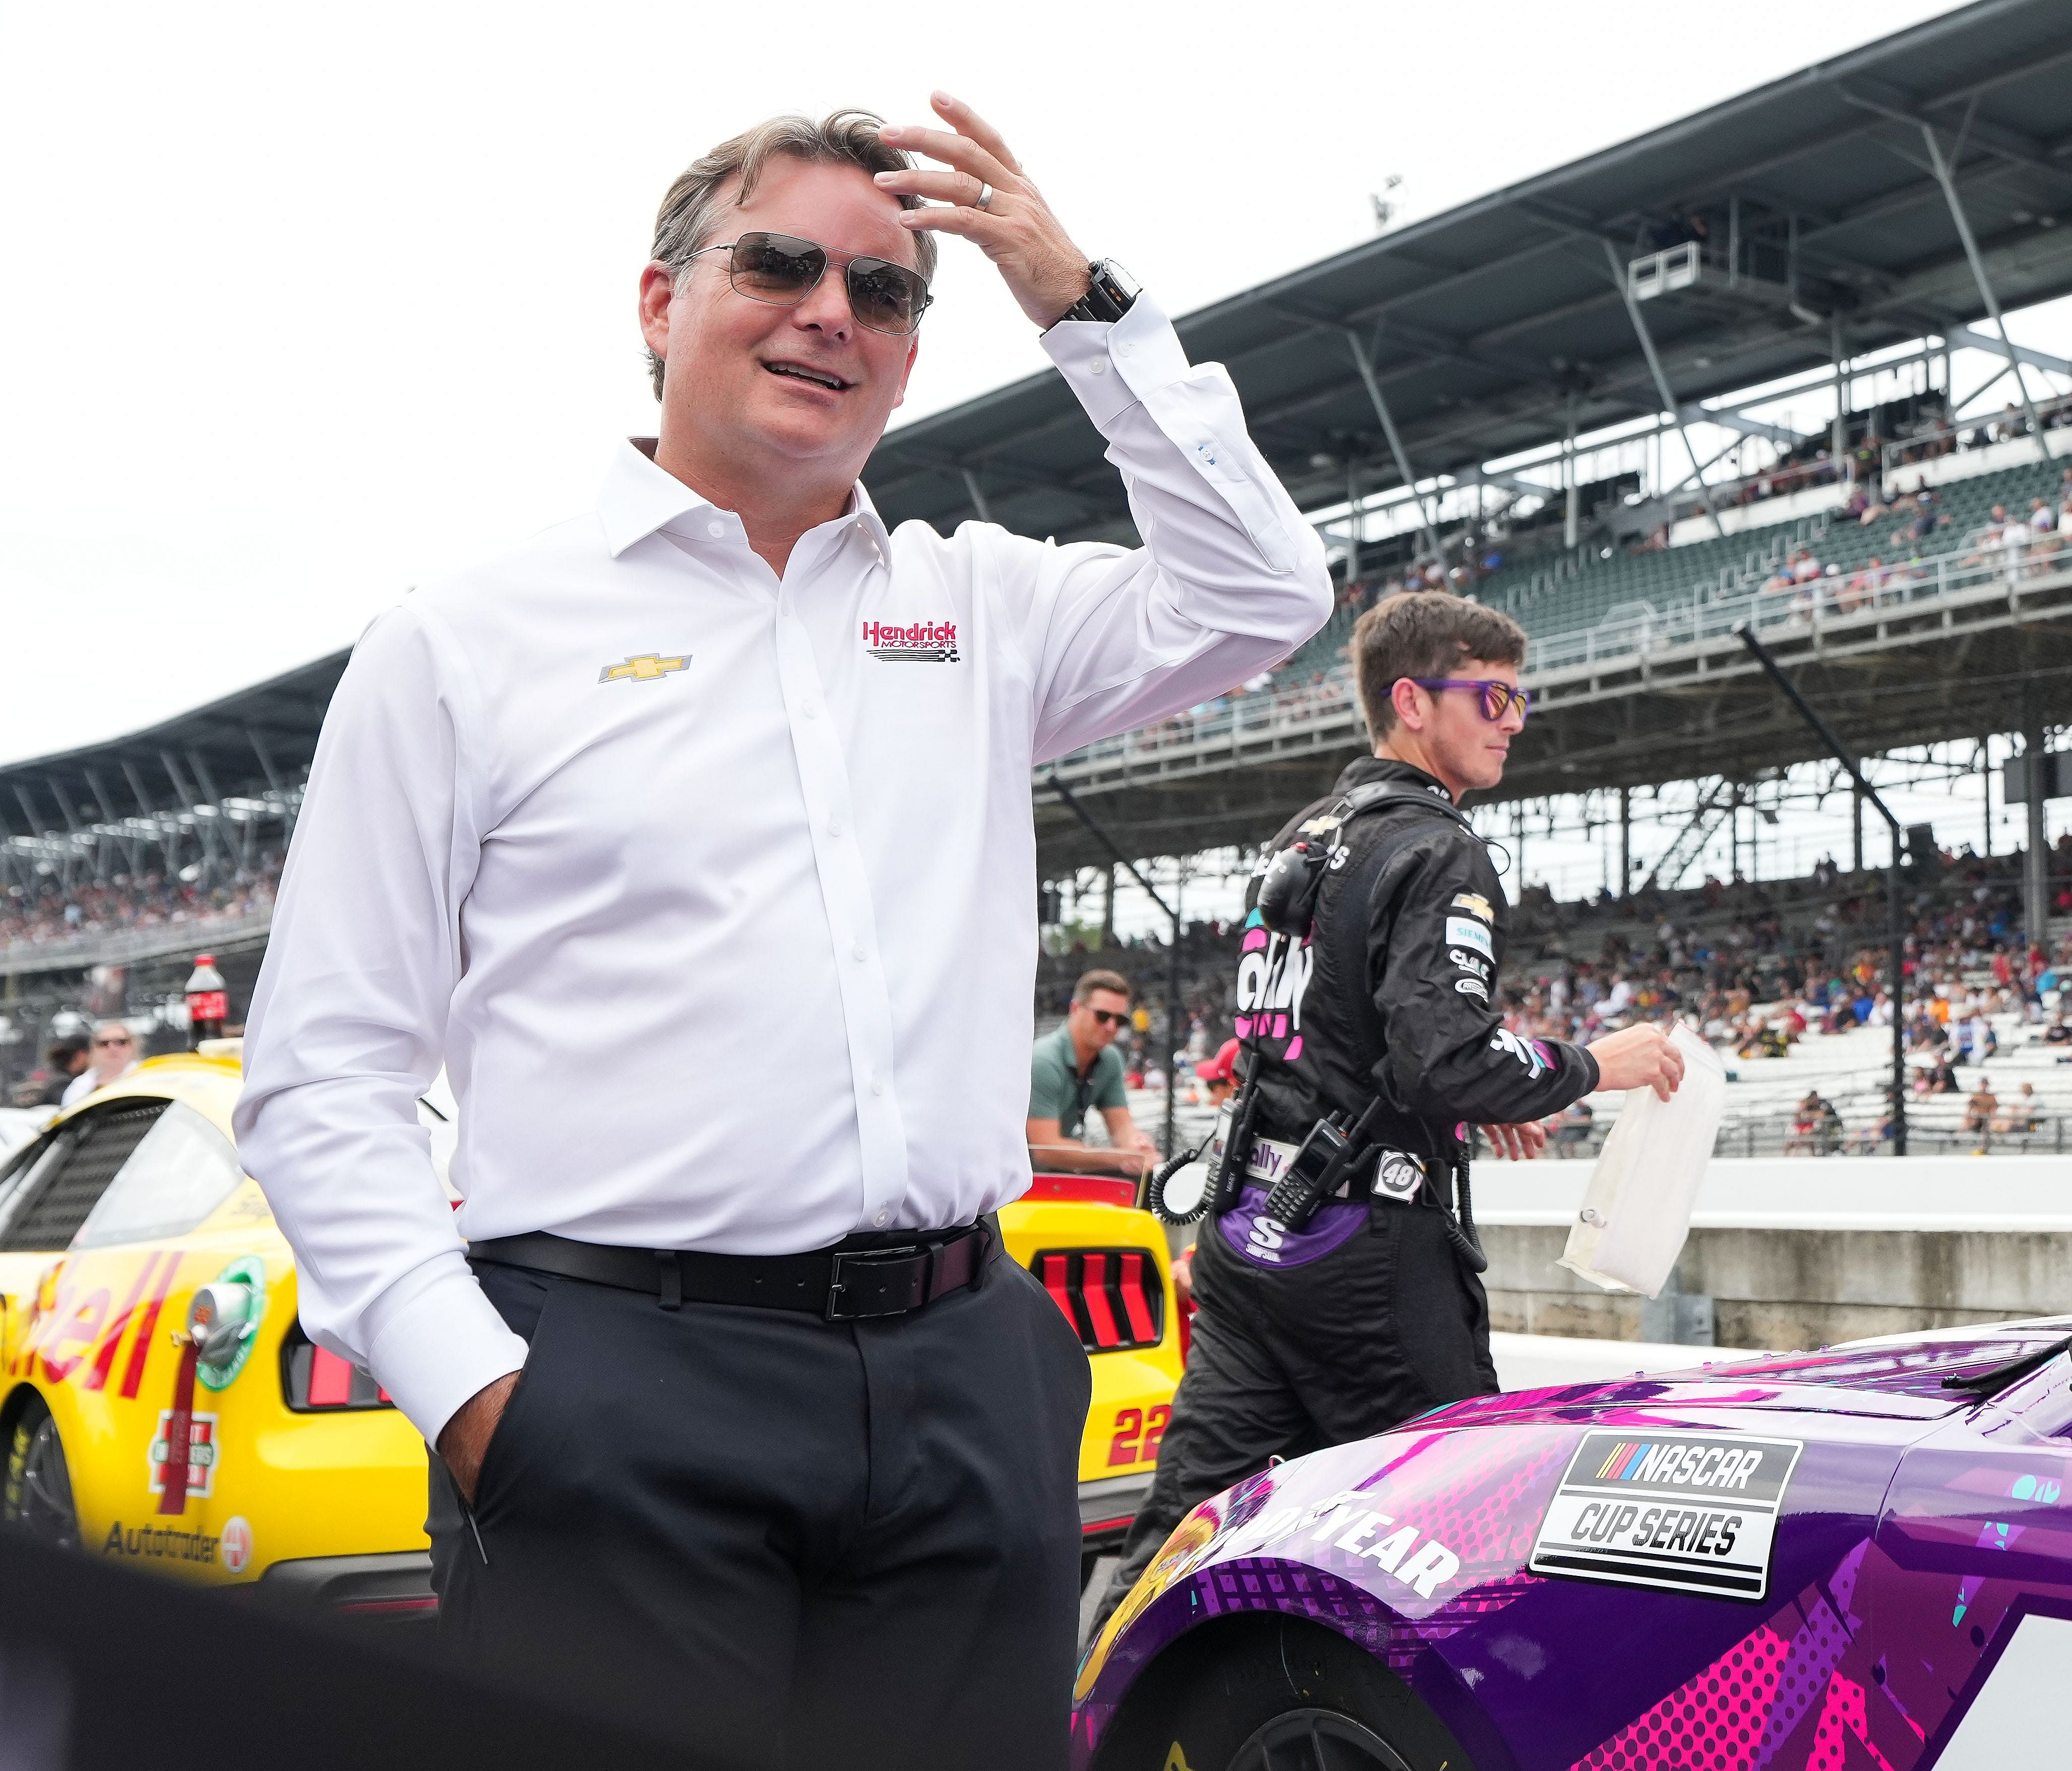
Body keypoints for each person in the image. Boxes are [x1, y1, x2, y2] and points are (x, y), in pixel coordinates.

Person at [234, 102, 1333, 1765]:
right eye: (781, 263)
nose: (834, 311)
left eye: (887, 292)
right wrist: (485, 1401)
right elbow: (322, 1076)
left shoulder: (979, 607)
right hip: (609, 1382)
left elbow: (1262, 593)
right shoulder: (462, 643)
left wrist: (1082, 308)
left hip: (965, 1375)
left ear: (905, 363)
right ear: (662, 302)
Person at [1088, 592, 1682, 1643]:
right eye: (1491, 694)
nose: (1514, 718)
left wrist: (1462, 1104)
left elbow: (1323, 1042)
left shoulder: (1307, 835)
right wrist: (1595, 1062)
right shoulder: (1432, 843)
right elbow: (1443, 1055)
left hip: (1246, 1239)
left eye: (1519, 696)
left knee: (1178, 1537)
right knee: (1460, 1539)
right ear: (1412, 701)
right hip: (1361, 1260)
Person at [1029, 970, 1156, 1177]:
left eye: (1120, 1020)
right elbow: (1045, 1150)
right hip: (1018, 1181)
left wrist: (1137, 1145)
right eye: (1103, 1016)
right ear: (1075, 1009)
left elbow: (1122, 1126)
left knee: (1142, 1175)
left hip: (1054, 1174)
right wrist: (1122, 1156)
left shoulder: (1110, 1058)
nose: (1111, 1027)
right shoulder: (1044, 1059)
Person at [55, 1020, 137, 1112]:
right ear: (94, 1049)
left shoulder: (146, 1075)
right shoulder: (79, 1085)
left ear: (133, 1046)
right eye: (104, 1044)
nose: (113, 1048)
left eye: (122, 1042)